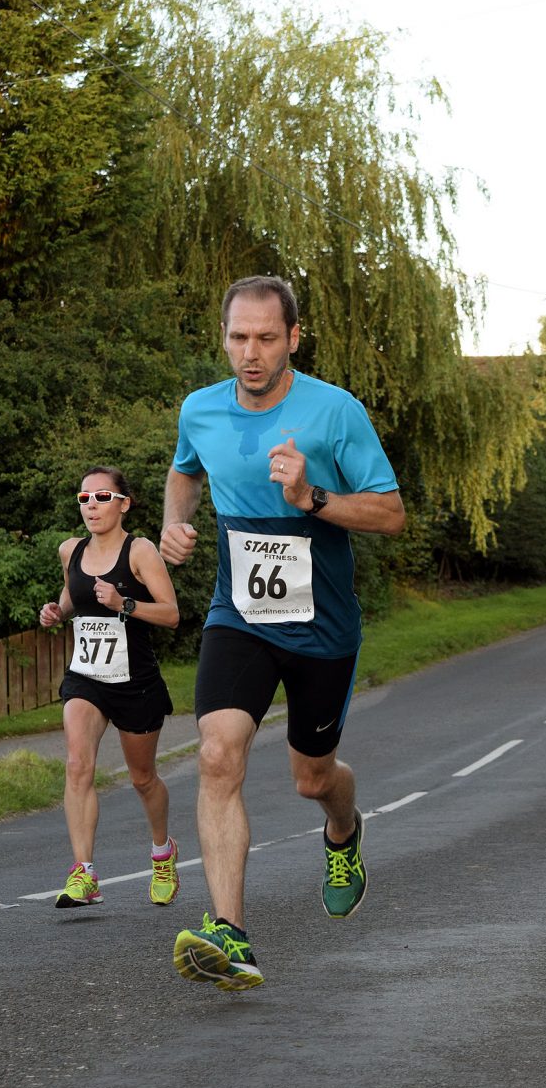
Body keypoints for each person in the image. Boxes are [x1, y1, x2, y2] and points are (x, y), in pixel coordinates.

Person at [160, 275, 405, 991]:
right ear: (225, 335)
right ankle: (229, 933)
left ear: (293, 337)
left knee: (312, 777)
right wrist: (176, 524)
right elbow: (184, 473)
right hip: (238, 614)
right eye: (239, 337)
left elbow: (391, 514)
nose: (251, 353)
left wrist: (311, 497)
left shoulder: (335, 412)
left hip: (321, 624)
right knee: (215, 752)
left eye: (267, 338)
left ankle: (343, 830)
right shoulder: (200, 409)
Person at [39, 466, 181, 909]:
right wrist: (56, 613)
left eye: (101, 497)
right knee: (77, 764)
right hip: (86, 677)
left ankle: (163, 851)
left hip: (134, 681)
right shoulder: (70, 550)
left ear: (124, 503)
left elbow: (171, 614)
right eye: (84, 499)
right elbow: (72, 596)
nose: (92, 506)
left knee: (142, 778)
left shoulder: (140, 552)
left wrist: (125, 603)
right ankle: (84, 873)